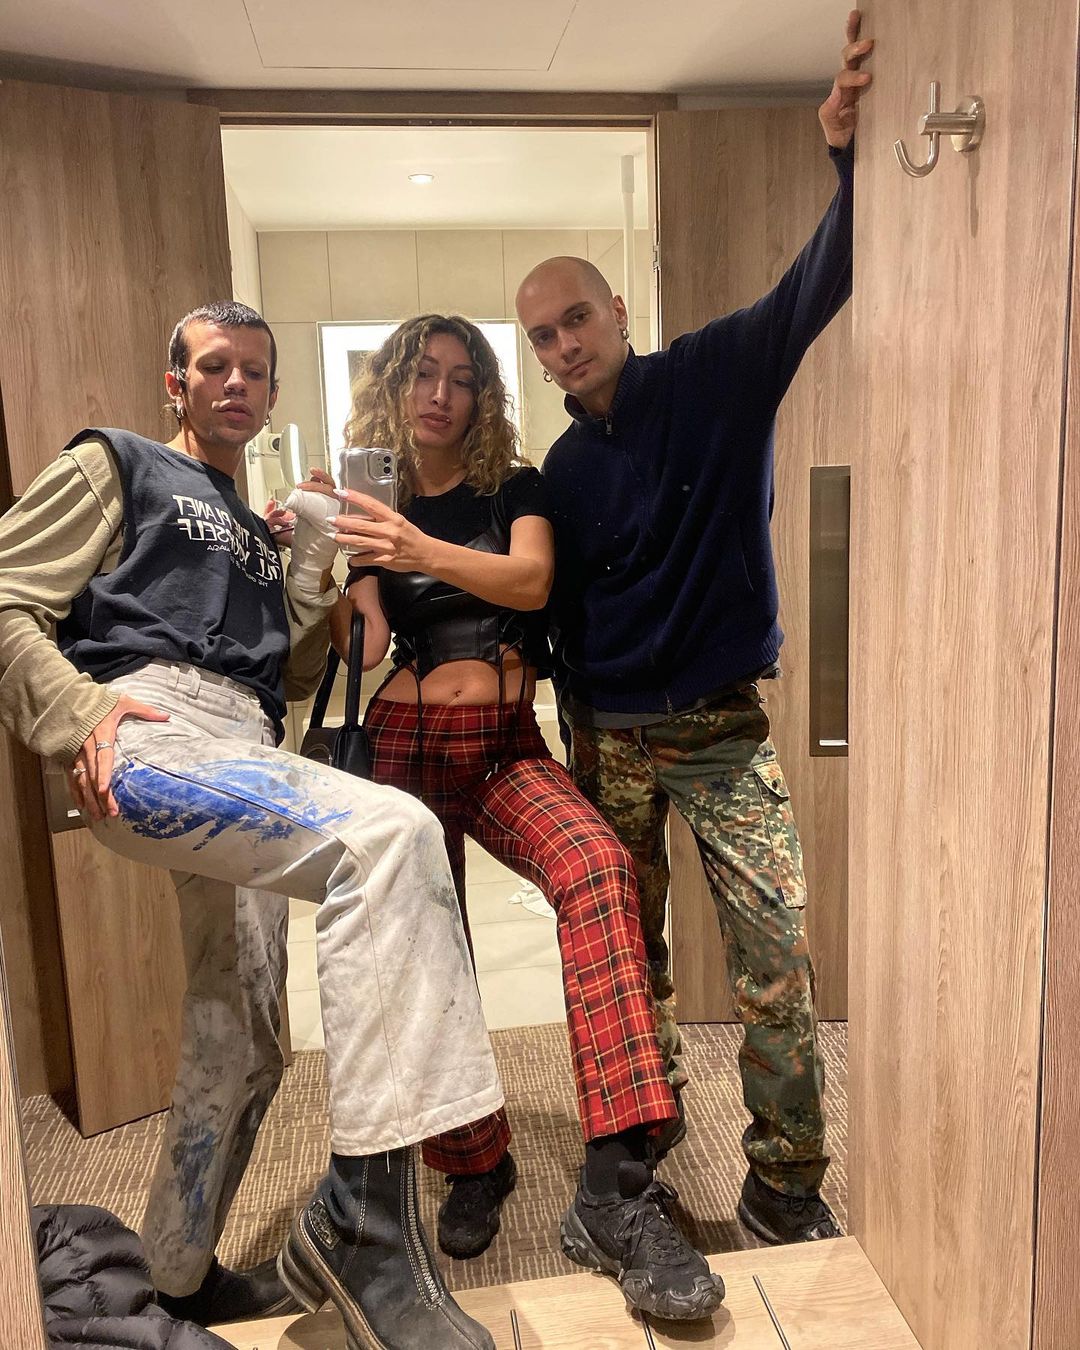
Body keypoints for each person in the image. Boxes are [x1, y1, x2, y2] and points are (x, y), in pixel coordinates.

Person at [0, 301, 503, 1350]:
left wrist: (312, 566)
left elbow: (298, 676)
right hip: (151, 727)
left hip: (244, 744)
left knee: (245, 1040)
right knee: (394, 836)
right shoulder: (118, 462)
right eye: (214, 366)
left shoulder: (257, 527)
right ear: (175, 384)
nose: (236, 383)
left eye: (255, 372)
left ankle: (173, 1280)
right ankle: (365, 1231)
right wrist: (77, 714)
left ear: (272, 396)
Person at [512, 14, 874, 1246]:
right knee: (629, 962)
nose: (565, 344)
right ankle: (643, 1143)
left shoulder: (716, 374)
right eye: (543, 335)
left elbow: (822, 279)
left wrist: (846, 157)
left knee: (774, 956)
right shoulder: (561, 469)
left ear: (616, 308)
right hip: (607, 736)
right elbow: (553, 611)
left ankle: (787, 1184)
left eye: (577, 317)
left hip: (722, 730)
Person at [287, 312, 724, 1322]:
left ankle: (615, 1189)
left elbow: (530, 579)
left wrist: (414, 544)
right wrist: (326, 555)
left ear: (483, 396)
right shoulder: (377, 500)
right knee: (430, 943)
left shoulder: (514, 490)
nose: (440, 394)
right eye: (421, 375)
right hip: (405, 742)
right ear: (393, 389)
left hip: (505, 747)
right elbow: (365, 651)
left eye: (461, 378)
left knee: (599, 869)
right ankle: (472, 1159)